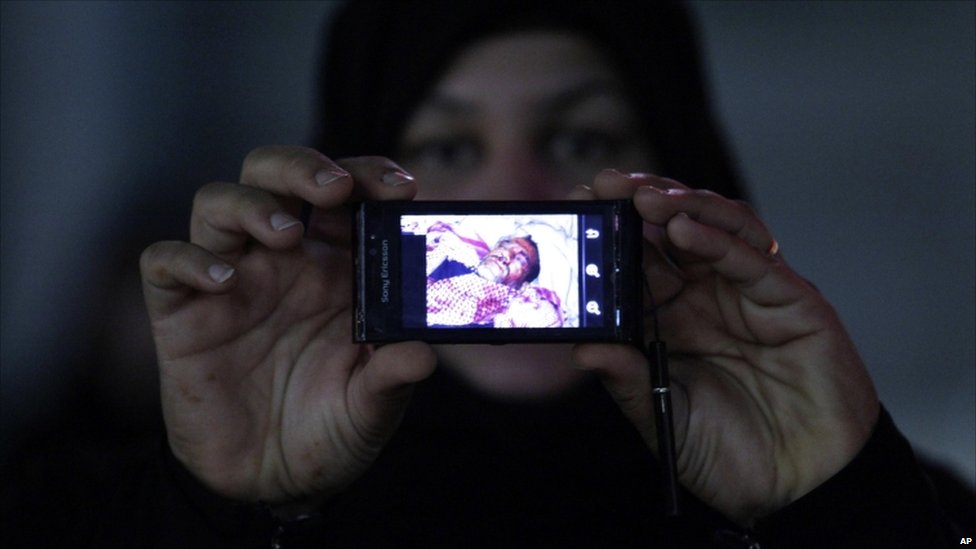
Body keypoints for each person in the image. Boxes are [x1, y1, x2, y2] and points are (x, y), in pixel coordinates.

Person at [5, 2, 968, 547]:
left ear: (676, 169)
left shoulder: (880, 494)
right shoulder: (105, 508)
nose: (514, 193)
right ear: (355, 191)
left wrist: (838, 511)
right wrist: (213, 516)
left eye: (580, 139)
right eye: (447, 148)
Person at [426, 229, 562, 328]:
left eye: (520, 260)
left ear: (523, 285)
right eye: (505, 247)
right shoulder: (448, 254)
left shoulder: (512, 313)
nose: (506, 256)